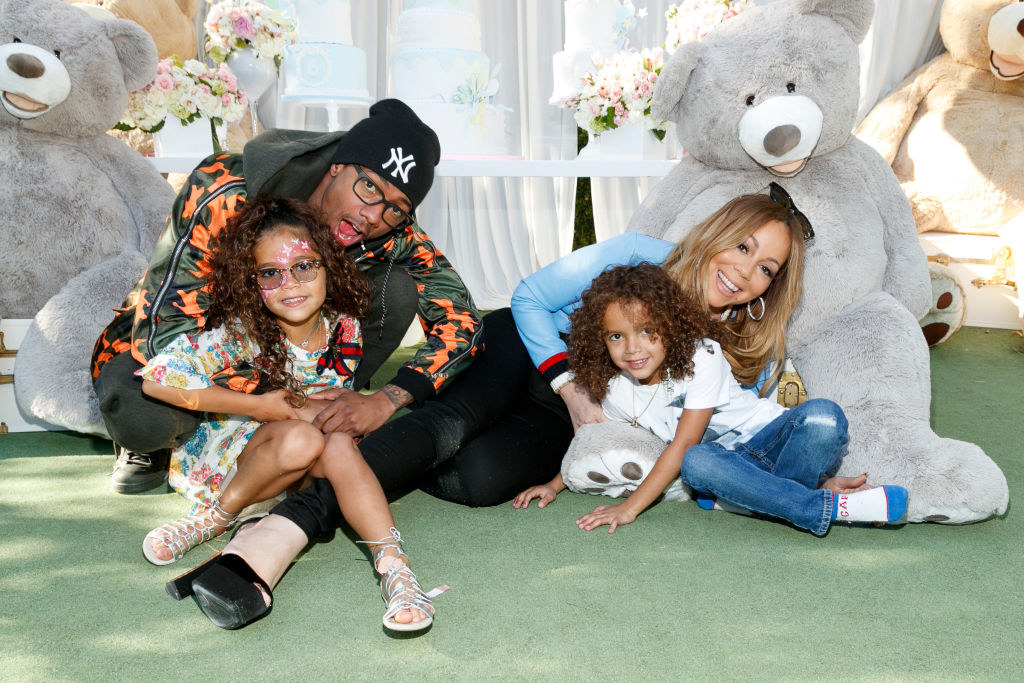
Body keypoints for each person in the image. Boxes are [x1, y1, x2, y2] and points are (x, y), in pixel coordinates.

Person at [91, 99, 482, 494]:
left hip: (298, 362)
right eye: (368, 188)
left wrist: (386, 400)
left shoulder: (393, 231)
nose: (373, 216)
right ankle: (168, 446)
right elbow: (166, 332)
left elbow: (464, 322)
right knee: (146, 416)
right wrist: (277, 403)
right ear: (336, 166)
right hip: (205, 351)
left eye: (396, 208)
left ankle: (336, 403)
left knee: (395, 287)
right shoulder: (225, 190)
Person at [137, 197, 432, 631]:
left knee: (333, 438)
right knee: (305, 437)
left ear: (329, 266)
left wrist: (336, 402)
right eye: (270, 273)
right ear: (250, 281)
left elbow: (329, 397)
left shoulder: (344, 326)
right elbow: (156, 380)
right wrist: (263, 405)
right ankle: (215, 518)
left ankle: (396, 570)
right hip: (239, 456)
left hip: (303, 465)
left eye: (304, 266)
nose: (289, 284)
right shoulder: (244, 331)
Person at [512, 264, 909, 536]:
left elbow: (684, 438)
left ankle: (755, 500)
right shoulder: (614, 390)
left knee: (825, 416)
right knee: (698, 461)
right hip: (718, 468)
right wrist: (553, 485)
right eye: (617, 336)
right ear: (601, 339)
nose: (633, 348)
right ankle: (819, 506)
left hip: (773, 442)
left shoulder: (702, 356)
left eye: (648, 331)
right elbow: (595, 440)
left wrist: (629, 507)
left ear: (670, 327)